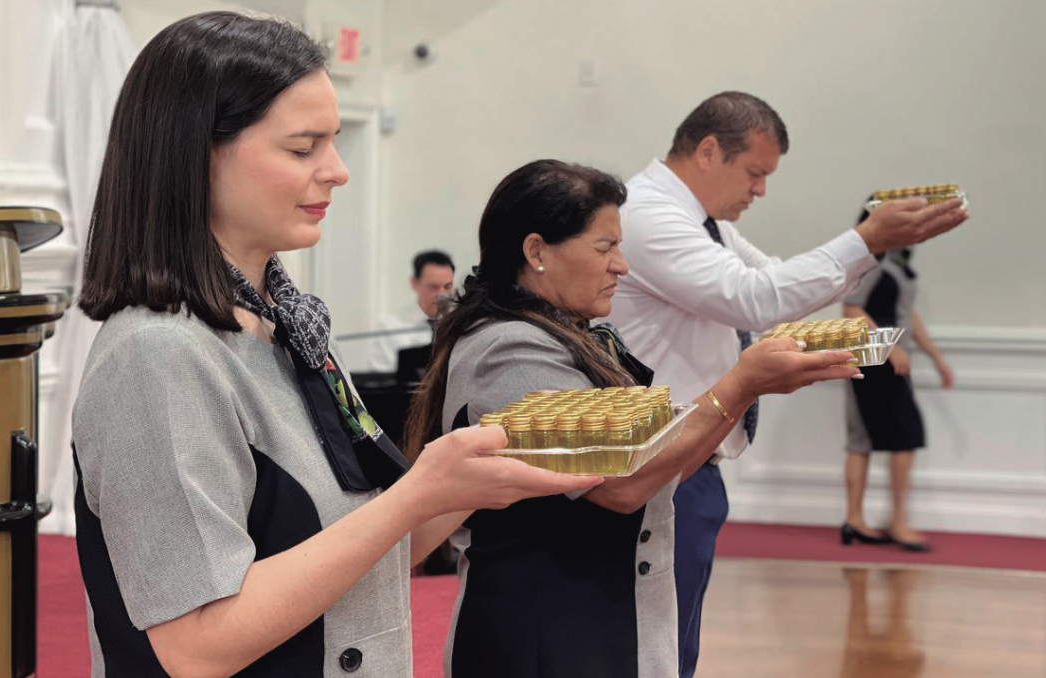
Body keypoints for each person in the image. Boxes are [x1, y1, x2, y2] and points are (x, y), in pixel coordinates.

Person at [69, 13, 599, 677]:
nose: (338, 171)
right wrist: (415, 494)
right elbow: (197, 646)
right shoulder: (156, 355)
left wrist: (476, 472)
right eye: (303, 148)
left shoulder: (288, 326)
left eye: (335, 142)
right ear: (195, 153)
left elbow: (367, 554)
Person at [403, 159, 863, 678]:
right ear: (536, 252)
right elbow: (618, 486)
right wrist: (740, 384)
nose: (621, 265)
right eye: (606, 248)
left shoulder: (568, 332)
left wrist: (737, 393)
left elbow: (657, 465)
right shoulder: (508, 348)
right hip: (542, 634)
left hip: (593, 620)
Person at [603, 91, 969, 677]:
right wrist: (865, 239)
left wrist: (864, 253)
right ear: (707, 151)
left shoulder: (703, 220)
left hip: (694, 456)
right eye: (755, 173)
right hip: (657, 459)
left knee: (673, 644)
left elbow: (771, 279)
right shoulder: (647, 213)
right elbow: (753, 299)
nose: (761, 191)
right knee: (652, 648)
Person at [842, 234, 954, 552]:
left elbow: (908, 314)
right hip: (877, 359)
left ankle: (855, 520)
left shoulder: (899, 262)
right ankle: (895, 521)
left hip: (886, 358)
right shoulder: (873, 259)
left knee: (865, 437)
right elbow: (851, 309)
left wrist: (936, 358)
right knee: (902, 435)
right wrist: (890, 349)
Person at [366, 250, 456, 373]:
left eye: (447, 287)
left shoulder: (459, 325)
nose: (442, 294)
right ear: (414, 283)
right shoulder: (391, 327)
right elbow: (380, 378)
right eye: (433, 287)